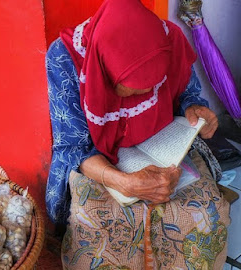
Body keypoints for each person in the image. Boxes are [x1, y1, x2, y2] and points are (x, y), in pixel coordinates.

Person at [45, 0, 230, 269]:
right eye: (131, 88)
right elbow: (73, 147)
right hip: (98, 162)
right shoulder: (66, 59)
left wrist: (196, 109)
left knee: (205, 216)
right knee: (101, 236)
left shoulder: (170, 42)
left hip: (162, 146)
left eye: (151, 86)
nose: (143, 95)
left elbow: (187, 94)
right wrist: (123, 182)